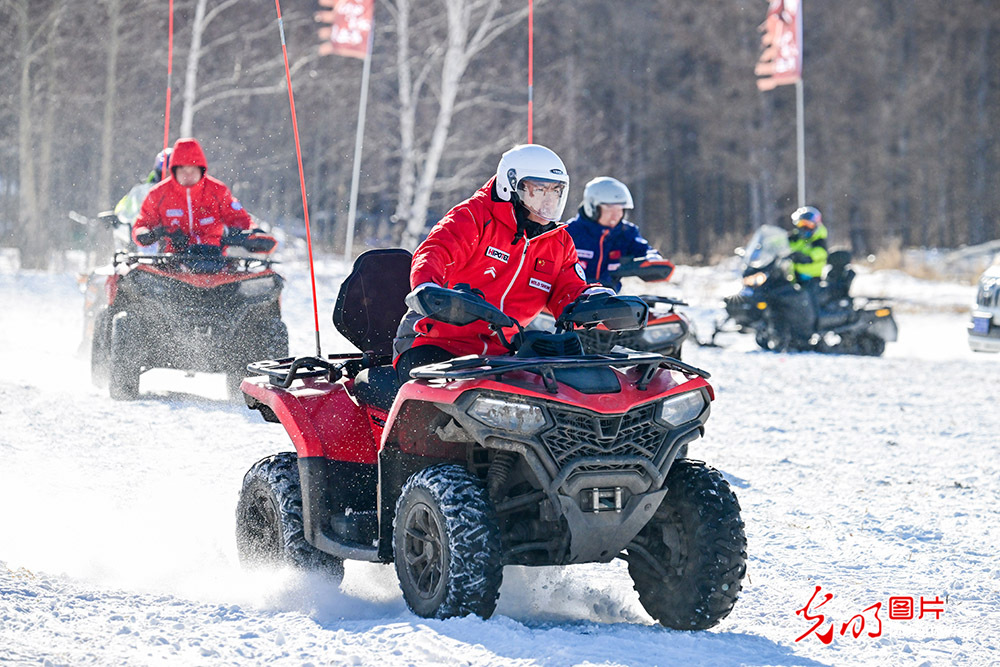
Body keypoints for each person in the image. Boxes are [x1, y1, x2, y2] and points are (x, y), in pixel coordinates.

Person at [393, 144, 612, 382]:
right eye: (539, 191)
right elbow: (435, 252)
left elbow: (568, 291)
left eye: (555, 192)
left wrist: (594, 302)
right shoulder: (474, 216)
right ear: (511, 187)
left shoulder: (558, 242)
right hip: (434, 341)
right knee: (432, 400)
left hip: (502, 354)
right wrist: (428, 287)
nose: (548, 201)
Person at [132, 137, 253, 252]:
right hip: (171, 262)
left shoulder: (218, 190)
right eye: (183, 170)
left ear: (201, 169)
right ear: (174, 170)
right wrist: (147, 234)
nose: (188, 175)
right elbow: (142, 224)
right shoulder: (158, 193)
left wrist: (255, 234)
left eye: (193, 170)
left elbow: (241, 220)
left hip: (216, 259)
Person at [565, 176, 661, 292]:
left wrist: (652, 258)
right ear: (592, 208)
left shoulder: (626, 233)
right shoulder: (569, 232)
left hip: (608, 301)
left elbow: (644, 250)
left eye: (620, 209)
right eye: (610, 209)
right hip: (569, 301)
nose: (616, 215)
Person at [113, 148, 171, 253]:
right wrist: (117, 216)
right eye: (165, 173)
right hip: (144, 243)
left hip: (174, 248)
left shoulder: (185, 193)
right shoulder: (142, 191)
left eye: (171, 173)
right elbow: (125, 208)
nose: (168, 177)